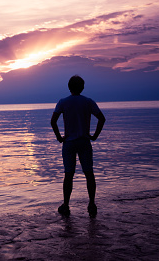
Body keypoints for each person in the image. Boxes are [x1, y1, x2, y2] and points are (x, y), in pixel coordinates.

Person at [50, 75, 106, 218]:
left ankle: (66, 205)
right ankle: (92, 204)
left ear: (69, 87)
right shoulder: (88, 102)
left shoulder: (63, 102)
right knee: (89, 173)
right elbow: (102, 119)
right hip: (84, 141)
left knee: (69, 174)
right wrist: (94, 136)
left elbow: (53, 121)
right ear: (82, 87)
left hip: (69, 142)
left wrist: (59, 137)